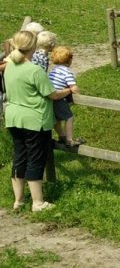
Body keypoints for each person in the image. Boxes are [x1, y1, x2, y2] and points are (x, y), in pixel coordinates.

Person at [4, 30, 73, 212]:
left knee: (19, 158)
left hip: (13, 117)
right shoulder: (35, 71)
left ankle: (18, 200)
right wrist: (69, 91)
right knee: (35, 159)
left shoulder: (9, 66)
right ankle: (38, 202)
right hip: (35, 120)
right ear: (33, 47)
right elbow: (53, 94)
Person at [48, 46, 84, 147]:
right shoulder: (67, 72)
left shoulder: (53, 70)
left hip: (50, 98)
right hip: (59, 99)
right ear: (70, 60)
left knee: (56, 120)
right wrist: (78, 94)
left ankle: (62, 136)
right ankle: (69, 140)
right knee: (69, 117)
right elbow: (73, 87)